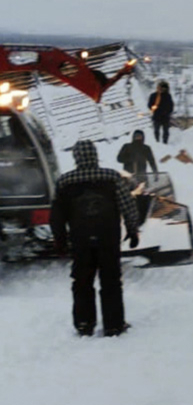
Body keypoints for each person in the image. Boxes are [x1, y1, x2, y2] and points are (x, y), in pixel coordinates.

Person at [50, 140, 141, 337]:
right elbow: (128, 206)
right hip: (108, 238)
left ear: (76, 157)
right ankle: (114, 325)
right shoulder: (112, 177)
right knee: (111, 280)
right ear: (95, 155)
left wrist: (60, 239)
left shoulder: (65, 182)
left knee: (82, 281)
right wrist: (133, 230)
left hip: (80, 240)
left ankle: (84, 323)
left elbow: (57, 214)